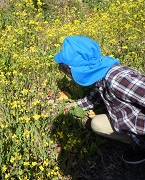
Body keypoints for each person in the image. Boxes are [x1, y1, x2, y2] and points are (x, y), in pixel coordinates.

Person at [54, 36, 145, 164]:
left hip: (140, 125)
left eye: (65, 71)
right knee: (97, 123)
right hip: (131, 120)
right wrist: (76, 105)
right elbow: (96, 95)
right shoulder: (102, 74)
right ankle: (138, 143)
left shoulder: (118, 79)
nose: (68, 78)